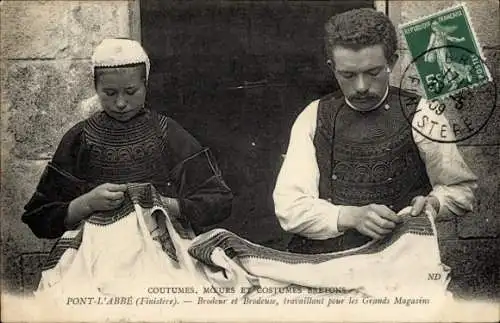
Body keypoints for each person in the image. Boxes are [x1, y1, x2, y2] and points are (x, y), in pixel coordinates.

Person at [273, 9, 478, 254]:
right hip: (326, 261)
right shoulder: (313, 116)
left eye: (373, 73)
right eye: (348, 75)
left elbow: (461, 190)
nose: (361, 87)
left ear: (391, 62)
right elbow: (289, 208)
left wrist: (433, 204)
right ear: (332, 67)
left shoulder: (424, 113)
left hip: (400, 261)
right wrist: (350, 216)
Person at [22, 38, 233, 239]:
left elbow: (219, 201)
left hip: (161, 246)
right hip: (95, 249)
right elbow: (38, 216)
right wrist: (87, 203)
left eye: (131, 91)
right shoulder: (80, 138)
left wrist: (165, 204)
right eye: (110, 93)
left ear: (145, 85)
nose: (121, 103)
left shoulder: (168, 133)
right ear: (96, 88)